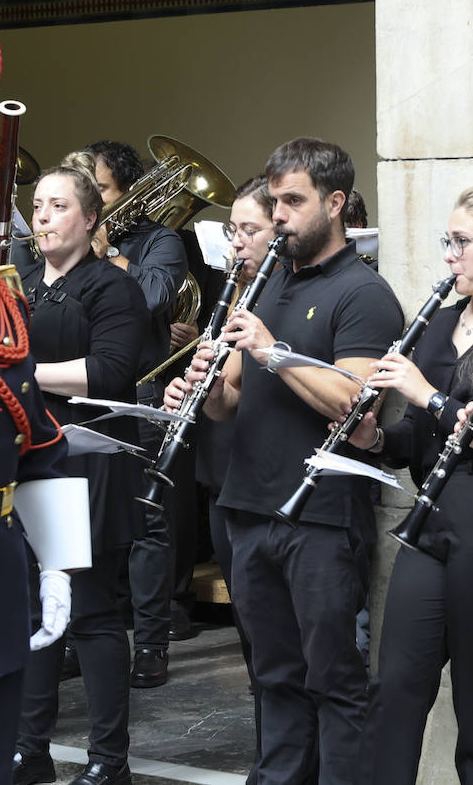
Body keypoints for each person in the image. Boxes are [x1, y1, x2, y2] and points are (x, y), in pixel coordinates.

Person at [168, 137, 403, 784]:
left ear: (334, 203)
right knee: (273, 679)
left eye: (293, 201)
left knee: (333, 681)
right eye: (275, 201)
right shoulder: (265, 285)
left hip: (322, 517)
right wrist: (207, 383)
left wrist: (273, 352)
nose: (279, 216)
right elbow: (228, 405)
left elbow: (356, 404)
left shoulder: (363, 293)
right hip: (250, 508)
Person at [347, 185, 473, 784]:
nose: (450, 257)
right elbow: (417, 435)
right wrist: (375, 442)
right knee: (396, 689)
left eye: (462, 243)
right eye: (447, 242)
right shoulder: (439, 322)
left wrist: (425, 394)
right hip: (430, 526)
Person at [14, 166, 149, 785]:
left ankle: (108, 760)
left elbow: (111, 372)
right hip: (30, 456)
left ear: (90, 219)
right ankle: (29, 748)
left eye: (58, 206)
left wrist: (18, 371)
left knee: (89, 611)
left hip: (87, 462)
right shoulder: (18, 286)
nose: (42, 216)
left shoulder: (110, 287)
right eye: (37, 205)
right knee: (37, 609)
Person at [170, 174, 279, 785]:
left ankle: (284, 760)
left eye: (249, 230)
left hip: (270, 482)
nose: (236, 243)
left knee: (280, 647)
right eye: (231, 231)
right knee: (251, 637)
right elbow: (223, 401)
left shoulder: (281, 297)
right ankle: (269, 756)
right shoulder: (227, 290)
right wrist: (196, 382)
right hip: (224, 473)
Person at [87, 138, 189, 686]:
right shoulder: (71, 245)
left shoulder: (162, 242)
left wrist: (108, 255)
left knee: (147, 524)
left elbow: (151, 298)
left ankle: (151, 643)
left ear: (125, 191)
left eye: (100, 189)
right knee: (86, 520)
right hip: (90, 396)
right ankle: (85, 634)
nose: (93, 199)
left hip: (144, 395)